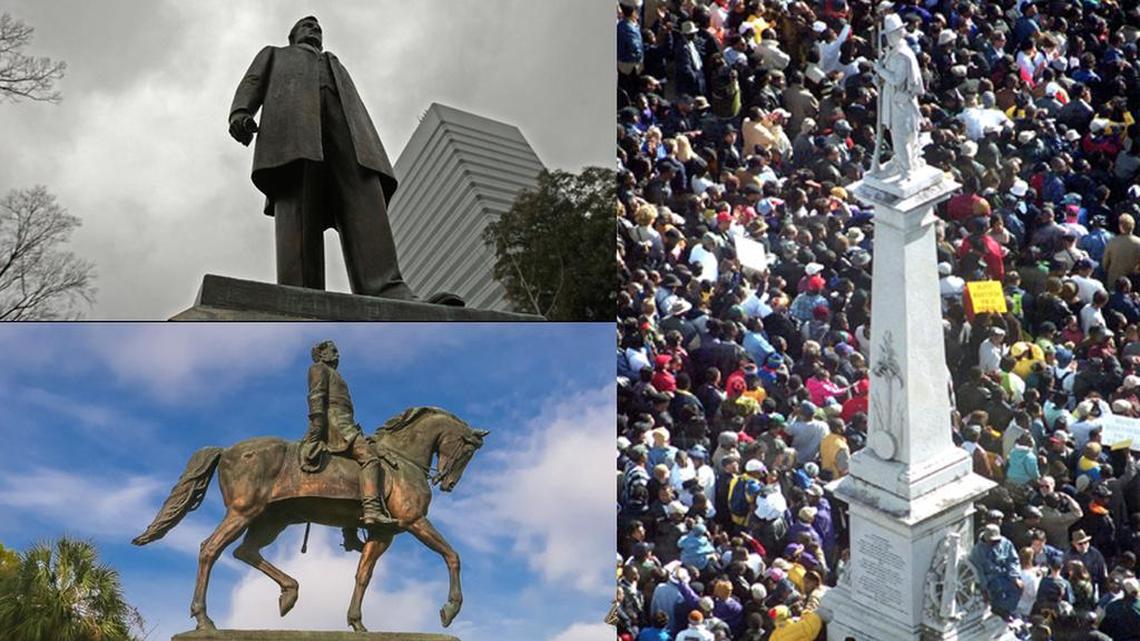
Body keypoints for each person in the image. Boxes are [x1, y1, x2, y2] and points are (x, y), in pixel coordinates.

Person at [229, 16, 416, 300]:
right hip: (293, 132)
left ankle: (386, 288)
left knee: (364, 201)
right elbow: (253, 79)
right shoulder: (275, 54)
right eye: (307, 25)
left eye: (318, 28)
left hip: (350, 134)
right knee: (298, 204)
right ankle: (302, 293)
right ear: (292, 36)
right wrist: (241, 112)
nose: (314, 30)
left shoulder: (334, 63)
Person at [303, 340, 397, 526]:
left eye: (338, 352)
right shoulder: (318, 368)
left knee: (352, 467)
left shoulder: (335, 374)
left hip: (346, 424)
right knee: (370, 459)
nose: (337, 355)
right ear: (321, 354)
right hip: (336, 426)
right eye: (333, 351)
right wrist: (317, 428)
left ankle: (350, 531)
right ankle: (371, 509)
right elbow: (316, 397)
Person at [871, 13, 924, 176]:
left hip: (901, 101)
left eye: (891, 34)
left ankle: (906, 170)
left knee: (903, 137)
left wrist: (880, 70)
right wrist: (878, 78)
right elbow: (887, 79)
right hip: (891, 99)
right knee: (898, 136)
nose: (889, 38)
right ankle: (901, 163)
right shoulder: (892, 52)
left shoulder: (902, 55)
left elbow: (896, 79)